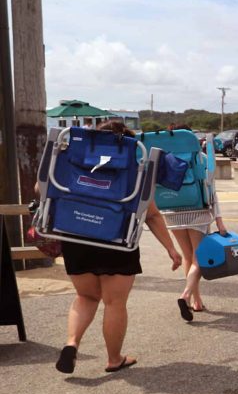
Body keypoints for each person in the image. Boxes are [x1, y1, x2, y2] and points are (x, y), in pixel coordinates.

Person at [53, 121, 183, 374]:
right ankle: (114, 359)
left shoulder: (74, 161)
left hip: (76, 236)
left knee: (86, 297)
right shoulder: (134, 168)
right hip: (117, 240)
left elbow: (40, 189)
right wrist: (171, 248)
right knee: (114, 303)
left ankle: (71, 343)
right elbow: (153, 215)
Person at [164, 124, 228, 320]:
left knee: (188, 256)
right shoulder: (200, 158)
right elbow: (212, 192)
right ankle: (185, 295)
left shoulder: (165, 159)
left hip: (172, 212)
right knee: (199, 259)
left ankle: (196, 300)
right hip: (197, 212)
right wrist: (219, 221)